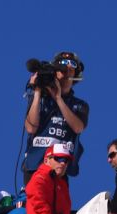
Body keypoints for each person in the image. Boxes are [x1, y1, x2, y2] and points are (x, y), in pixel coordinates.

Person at [23, 51, 89, 185]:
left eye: (70, 71)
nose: (65, 74)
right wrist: (37, 92)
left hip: (60, 167)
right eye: (62, 70)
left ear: (75, 75)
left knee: (58, 204)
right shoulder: (41, 99)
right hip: (35, 165)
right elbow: (30, 128)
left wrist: (58, 98)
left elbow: (78, 127)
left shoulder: (79, 105)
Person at [26, 144, 73, 214]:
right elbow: (33, 191)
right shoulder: (43, 174)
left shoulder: (61, 184)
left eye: (66, 160)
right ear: (47, 160)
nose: (63, 163)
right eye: (58, 158)